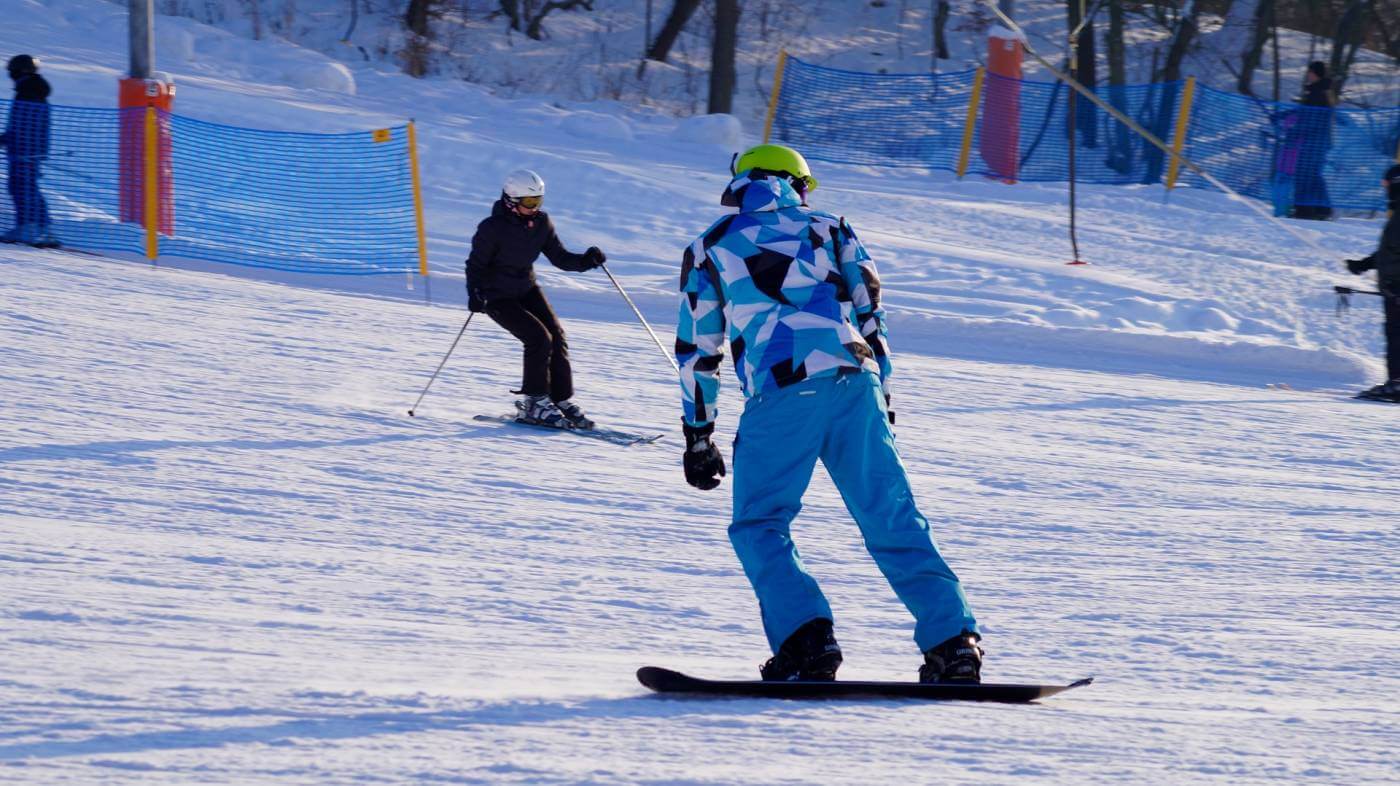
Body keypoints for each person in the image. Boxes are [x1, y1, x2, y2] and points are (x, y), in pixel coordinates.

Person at [675, 144, 983, 683]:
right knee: (890, 513)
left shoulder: (711, 246)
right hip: (853, 382)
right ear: (797, 184)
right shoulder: (831, 227)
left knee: (761, 521)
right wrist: (881, 395)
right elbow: (871, 313)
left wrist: (699, 434)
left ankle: (806, 640)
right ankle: (953, 643)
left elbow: (699, 348)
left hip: (782, 389)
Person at [465, 169, 605, 428]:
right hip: (497, 296)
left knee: (557, 335)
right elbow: (475, 265)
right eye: (530, 203)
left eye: (539, 201)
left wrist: (586, 261)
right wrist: (474, 292)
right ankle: (535, 403)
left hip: (526, 289)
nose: (535, 207)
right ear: (511, 200)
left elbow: (561, 258)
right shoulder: (491, 228)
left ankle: (558, 398)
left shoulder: (542, 223)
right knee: (539, 339)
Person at [1343, 164, 1400, 401]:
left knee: (1397, 334)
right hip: (1393, 287)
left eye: (1386, 184)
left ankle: (1397, 384)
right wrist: (1364, 264)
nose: (1384, 189)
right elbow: (1390, 252)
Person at [0, 54, 58, 247]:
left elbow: (27, 125)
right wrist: (6, 139)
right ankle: (32, 227)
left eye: (12, 71)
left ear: (21, 70)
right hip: (25, 149)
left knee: (25, 188)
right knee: (21, 187)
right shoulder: (29, 89)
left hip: (25, 151)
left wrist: (17, 142)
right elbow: (20, 125)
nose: (11, 75)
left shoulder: (28, 91)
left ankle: (38, 229)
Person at [1292, 61, 1334, 221]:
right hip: (1318, 141)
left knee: (1305, 173)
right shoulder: (1320, 91)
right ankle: (1321, 209)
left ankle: (1305, 210)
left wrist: (1296, 131)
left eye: (1310, 72)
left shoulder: (1318, 93)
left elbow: (1312, 119)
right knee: (1313, 174)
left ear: (1316, 74)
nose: (1308, 75)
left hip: (1314, 141)